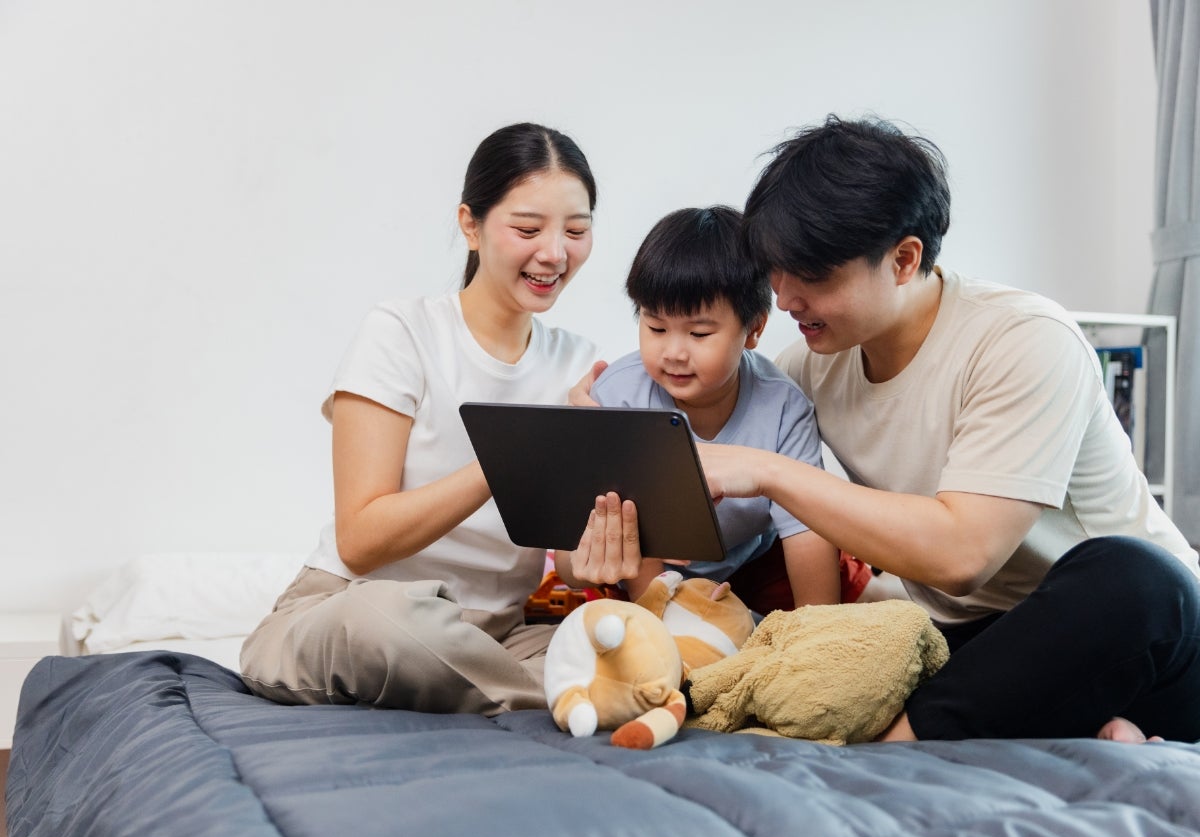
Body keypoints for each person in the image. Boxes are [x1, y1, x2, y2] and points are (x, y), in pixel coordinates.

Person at [576, 115, 1200, 744]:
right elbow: (708, 390)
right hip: (952, 635)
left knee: (1141, 580)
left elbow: (963, 558)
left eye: (813, 276)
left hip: (1114, 625)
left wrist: (769, 471)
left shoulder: (1025, 341)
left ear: (904, 260)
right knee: (867, 626)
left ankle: (903, 738)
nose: (786, 298)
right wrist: (592, 421)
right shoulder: (810, 366)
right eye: (776, 271)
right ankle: (1073, 722)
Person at [240, 122, 600, 716]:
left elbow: (567, 560)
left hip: (497, 634)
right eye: (528, 229)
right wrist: (517, 457)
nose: (555, 253)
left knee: (608, 633)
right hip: (359, 607)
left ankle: (540, 688)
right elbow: (359, 542)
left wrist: (603, 542)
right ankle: (557, 697)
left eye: (577, 231)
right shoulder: (402, 332)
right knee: (395, 621)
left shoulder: (580, 364)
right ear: (470, 225)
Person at [553, 206, 849, 612]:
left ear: (754, 329)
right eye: (655, 327)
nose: (673, 352)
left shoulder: (783, 405)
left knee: (836, 578)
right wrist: (664, 621)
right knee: (614, 615)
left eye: (699, 333)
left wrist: (817, 631)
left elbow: (807, 530)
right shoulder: (619, 396)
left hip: (751, 562)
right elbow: (610, 535)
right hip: (641, 566)